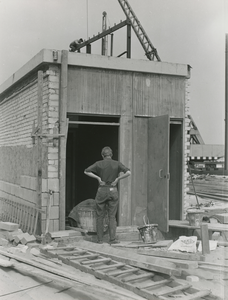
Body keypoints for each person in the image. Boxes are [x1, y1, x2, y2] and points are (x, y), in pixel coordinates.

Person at [84, 146, 131, 244]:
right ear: (111, 155)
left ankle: (100, 240)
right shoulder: (116, 164)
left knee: (100, 216)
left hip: (102, 190)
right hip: (113, 189)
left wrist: (98, 178)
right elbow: (128, 172)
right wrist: (118, 179)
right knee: (112, 216)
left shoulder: (98, 164)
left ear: (102, 155)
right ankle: (112, 239)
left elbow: (86, 171)